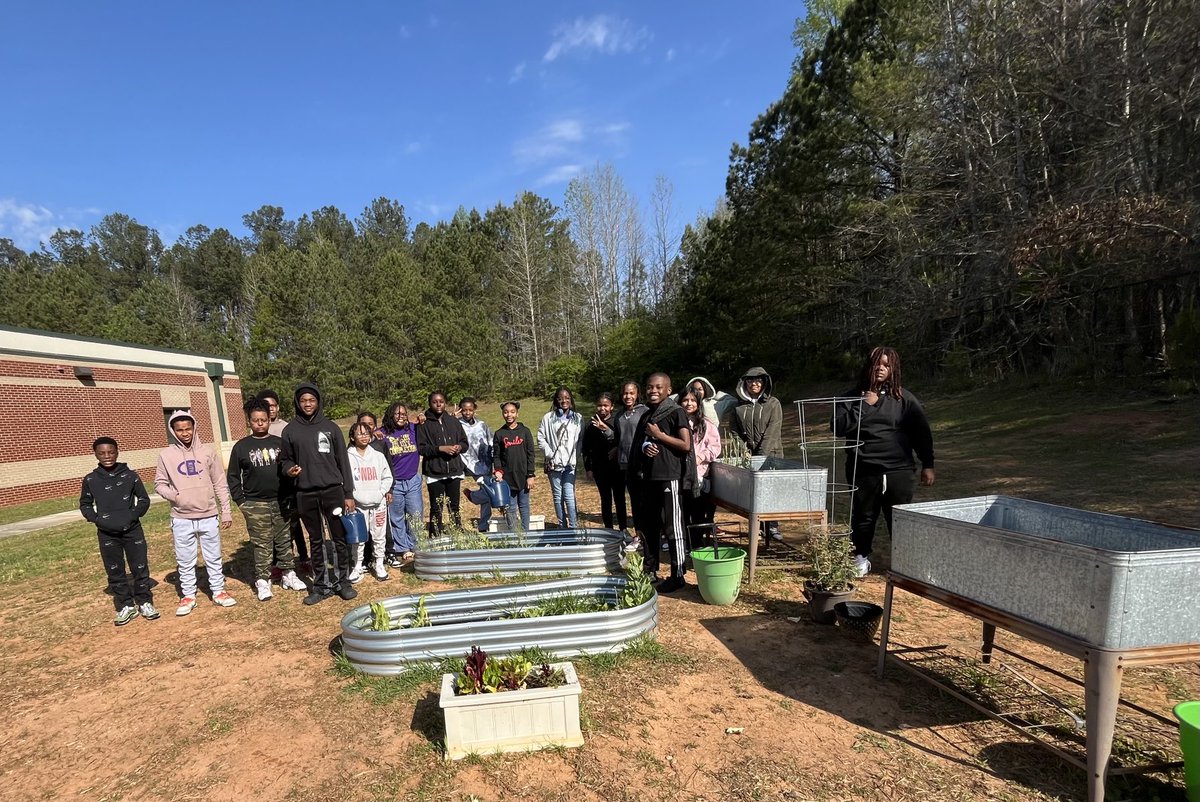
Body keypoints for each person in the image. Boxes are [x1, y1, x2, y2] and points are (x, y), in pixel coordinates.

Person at [833, 346, 935, 577]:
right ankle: (860, 557)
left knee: (898, 516)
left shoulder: (904, 398)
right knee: (863, 515)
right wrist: (864, 406)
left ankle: (904, 561)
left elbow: (922, 433)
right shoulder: (850, 397)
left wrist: (927, 464)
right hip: (863, 468)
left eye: (887, 365)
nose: (881, 368)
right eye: (877, 363)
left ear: (893, 370)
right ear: (868, 366)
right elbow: (838, 427)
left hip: (899, 470)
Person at [279, 383, 357, 605]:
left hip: (333, 490)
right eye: (303, 400)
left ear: (318, 402)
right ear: (297, 403)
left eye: (311, 400)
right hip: (305, 492)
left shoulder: (331, 428)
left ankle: (343, 582)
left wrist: (348, 493)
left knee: (338, 537)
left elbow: (343, 462)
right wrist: (289, 470)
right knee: (316, 540)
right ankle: (321, 585)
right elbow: (285, 459)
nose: (307, 404)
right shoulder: (290, 430)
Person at [155, 410, 236, 615]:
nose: (185, 433)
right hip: (182, 519)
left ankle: (218, 591)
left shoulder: (207, 452)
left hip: (208, 515)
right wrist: (175, 496)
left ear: (194, 428)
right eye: (180, 429)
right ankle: (188, 595)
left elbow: (219, 482)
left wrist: (225, 511)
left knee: (213, 557)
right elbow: (159, 484)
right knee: (185, 559)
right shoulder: (166, 456)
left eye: (188, 428)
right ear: (173, 431)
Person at [227, 399, 307, 601]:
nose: (260, 423)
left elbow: (288, 467)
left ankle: (289, 573)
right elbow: (233, 477)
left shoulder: (279, 444)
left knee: (283, 539)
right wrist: (241, 502)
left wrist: (292, 477)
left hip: (281, 500)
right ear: (249, 422)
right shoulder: (241, 447)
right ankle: (263, 580)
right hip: (255, 503)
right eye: (255, 420)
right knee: (262, 544)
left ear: (269, 420)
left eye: (263, 420)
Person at [80, 436, 156, 625]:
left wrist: (131, 516)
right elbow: (85, 503)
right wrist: (96, 519)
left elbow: (144, 500)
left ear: (117, 452)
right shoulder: (91, 479)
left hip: (132, 530)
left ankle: (145, 602)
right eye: (102, 453)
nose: (107, 456)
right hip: (106, 533)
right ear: (96, 454)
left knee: (139, 567)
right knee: (115, 570)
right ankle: (126, 606)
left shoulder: (131, 475)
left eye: (111, 452)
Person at [628, 373, 693, 593]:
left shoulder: (677, 412)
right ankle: (650, 569)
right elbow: (638, 445)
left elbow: (685, 445)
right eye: (649, 387)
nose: (653, 391)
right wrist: (646, 446)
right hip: (649, 479)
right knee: (649, 527)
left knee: (672, 527)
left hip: (670, 477)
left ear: (668, 389)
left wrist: (660, 435)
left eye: (658, 387)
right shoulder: (646, 415)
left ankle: (678, 574)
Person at [731, 366, 785, 541]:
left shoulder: (773, 403)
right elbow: (734, 431)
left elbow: (773, 430)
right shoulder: (738, 407)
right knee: (754, 493)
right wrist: (745, 452)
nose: (754, 384)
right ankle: (758, 527)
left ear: (764, 383)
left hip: (772, 455)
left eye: (758, 380)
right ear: (744, 383)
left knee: (772, 490)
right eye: (750, 380)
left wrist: (760, 456)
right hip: (749, 456)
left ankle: (773, 526)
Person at [258, 388, 309, 572]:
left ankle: (303, 558)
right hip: (269, 487)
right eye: (265, 406)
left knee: (294, 524)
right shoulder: (258, 427)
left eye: (272, 405)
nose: (269, 409)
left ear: (278, 407)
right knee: (273, 527)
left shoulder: (287, 428)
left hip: (288, 484)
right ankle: (277, 563)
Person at [416, 391, 469, 536]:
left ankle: (458, 531)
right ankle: (435, 533)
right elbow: (421, 448)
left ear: (445, 403)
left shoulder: (453, 421)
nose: (438, 404)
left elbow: (465, 443)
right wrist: (440, 449)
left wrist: (459, 447)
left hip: (453, 469)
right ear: (430, 403)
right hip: (435, 471)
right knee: (436, 506)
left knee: (454, 506)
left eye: (441, 401)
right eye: (435, 402)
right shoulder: (423, 423)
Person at [347, 422, 392, 583]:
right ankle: (357, 565)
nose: (364, 436)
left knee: (379, 535)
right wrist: (352, 496)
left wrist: (381, 493)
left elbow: (387, 477)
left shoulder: (378, 456)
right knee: (358, 538)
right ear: (352, 437)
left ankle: (379, 563)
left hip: (378, 504)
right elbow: (345, 481)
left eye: (367, 433)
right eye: (360, 433)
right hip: (358, 506)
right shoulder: (348, 457)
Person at [379, 402, 423, 565]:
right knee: (396, 517)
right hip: (394, 482)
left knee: (415, 514)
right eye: (397, 414)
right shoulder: (382, 433)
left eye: (403, 414)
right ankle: (403, 548)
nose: (400, 417)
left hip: (412, 479)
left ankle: (416, 545)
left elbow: (428, 425)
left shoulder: (413, 428)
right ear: (390, 415)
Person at [679, 386, 721, 549]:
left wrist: (701, 457)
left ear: (698, 403)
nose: (689, 404)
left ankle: (696, 543)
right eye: (685, 400)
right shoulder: (675, 422)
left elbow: (715, 447)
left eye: (692, 400)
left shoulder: (706, 424)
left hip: (699, 476)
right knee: (682, 511)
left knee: (698, 512)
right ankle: (683, 544)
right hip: (678, 474)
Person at [537, 387, 583, 529]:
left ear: (571, 399)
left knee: (569, 495)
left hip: (570, 465)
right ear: (556, 401)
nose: (564, 401)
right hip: (554, 464)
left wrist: (575, 456)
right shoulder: (548, 418)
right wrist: (551, 454)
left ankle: (573, 526)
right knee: (558, 495)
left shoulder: (578, 418)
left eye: (567, 398)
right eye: (560, 398)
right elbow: (541, 438)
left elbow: (580, 440)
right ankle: (562, 525)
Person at [582, 392, 625, 531]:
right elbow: (586, 448)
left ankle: (623, 528)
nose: (602, 408)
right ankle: (608, 529)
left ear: (611, 407)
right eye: (600, 405)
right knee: (605, 499)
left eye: (606, 405)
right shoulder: (591, 423)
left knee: (619, 499)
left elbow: (621, 441)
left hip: (617, 467)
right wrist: (588, 468)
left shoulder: (617, 420)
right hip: (600, 468)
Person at [613, 380, 649, 542]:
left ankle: (652, 534)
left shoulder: (645, 412)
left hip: (642, 463)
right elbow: (618, 438)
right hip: (625, 464)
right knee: (634, 501)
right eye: (625, 393)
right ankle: (639, 534)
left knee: (645, 501)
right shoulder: (619, 415)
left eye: (631, 393)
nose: (628, 396)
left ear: (637, 395)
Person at [493, 401, 536, 531]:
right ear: (502, 414)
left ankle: (526, 533)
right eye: (506, 412)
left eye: (512, 412)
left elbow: (531, 454)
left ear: (517, 413)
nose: (509, 415)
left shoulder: (525, 431)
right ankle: (513, 535)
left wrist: (530, 474)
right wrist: (498, 471)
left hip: (523, 477)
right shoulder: (499, 434)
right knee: (510, 507)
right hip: (507, 478)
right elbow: (496, 456)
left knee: (523, 505)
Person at [457, 397, 494, 532]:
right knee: (489, 493)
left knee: (489, 493)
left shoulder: (482, 425)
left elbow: (491, 441)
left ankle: (483, 525)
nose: (467, 413)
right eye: (464, 410)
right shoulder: (456, 424)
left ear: (474, 410)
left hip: (484, 463)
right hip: (466, 462)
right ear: (460, 410)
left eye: (470, 410)